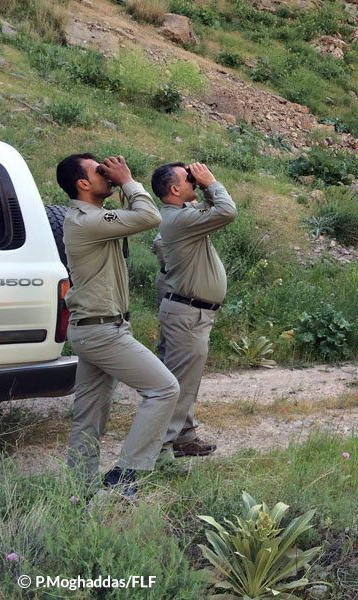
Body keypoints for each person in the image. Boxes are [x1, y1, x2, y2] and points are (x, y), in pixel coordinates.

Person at [57, 153, 179, 498]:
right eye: (99, 171)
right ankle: (126, 476)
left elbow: (135, 216)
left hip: (94, 328)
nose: (107, 173)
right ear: (83, 184)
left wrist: (120, 184)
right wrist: (126, 180)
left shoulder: (92, 218)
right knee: (164, 389)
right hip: (101, 331)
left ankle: (79, 493)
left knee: (89, 416)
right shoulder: (86, 221)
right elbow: (149, 215)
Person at [152, 162, 237, 463]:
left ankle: (183, 437)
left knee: (186, 383)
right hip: (188, 314)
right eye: (189, 179)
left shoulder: (181, 216)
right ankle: (160, 453)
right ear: (175, 189)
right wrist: (211, 181)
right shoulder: (179, 219)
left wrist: (204, 187)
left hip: (191, 313)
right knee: (176, 386)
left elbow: (210, 208)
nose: (194, 180)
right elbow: (227, 211)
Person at [151, 233, 169, 361]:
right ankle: (164, 361)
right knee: (168, 326)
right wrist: (172, 267)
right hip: (169, 279)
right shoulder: (175, 218)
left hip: (177, 280)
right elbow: (159, 243)